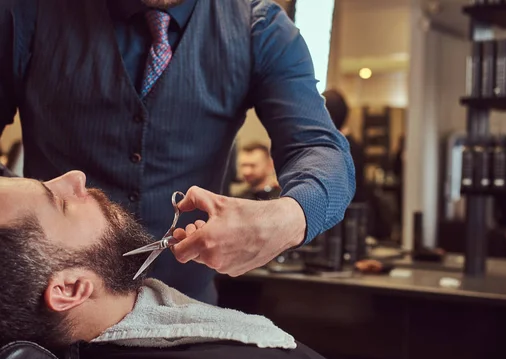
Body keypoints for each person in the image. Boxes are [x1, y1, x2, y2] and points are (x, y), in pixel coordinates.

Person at [0, 171, 506, 359]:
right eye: (59, 200)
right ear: (71, 288)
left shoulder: (116, 357)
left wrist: (290, 214)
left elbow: (321, 153)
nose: (74, 176)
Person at [0, 0, 356, 304]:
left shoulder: (257, 26)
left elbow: (321, 149)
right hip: (46, 311)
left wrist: (289, 218)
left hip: (186, 315)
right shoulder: (29, 12)